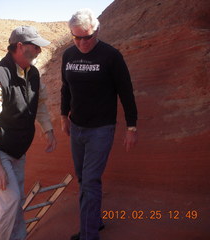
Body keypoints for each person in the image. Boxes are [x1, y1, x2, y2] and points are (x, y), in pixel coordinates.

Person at [0, 25, 56, 240]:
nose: (39, 51)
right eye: (35, 47)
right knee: (10, 200)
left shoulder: (33, 73)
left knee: (15, 201)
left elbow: (41, 104)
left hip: (17, 148)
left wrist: (48, 129)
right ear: (20, 46)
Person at [60, 9, 138, 240]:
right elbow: (66, 88)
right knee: (83, 178)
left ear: (97, 31)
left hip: (101, 129)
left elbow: (126, 93)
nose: (82, 42)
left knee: (91, 180)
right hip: (77, 127)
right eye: (77, 37)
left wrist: (131, 127)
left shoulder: (111, 56)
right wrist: (64, 116)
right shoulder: (68, 55)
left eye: (87, 37)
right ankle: (94, 221)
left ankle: (89, 234)